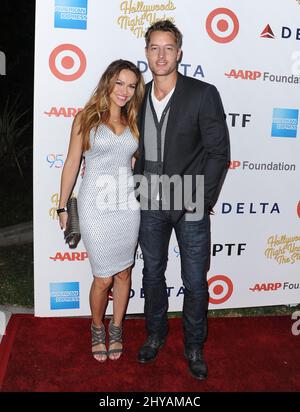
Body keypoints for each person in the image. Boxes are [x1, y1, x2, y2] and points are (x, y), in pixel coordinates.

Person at [134, 20, 230, 379]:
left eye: (168, 48)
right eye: (155, 48)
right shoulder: (137, 96)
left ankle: (194, 344)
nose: (161, 55)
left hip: (189, 201)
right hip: (149, 202)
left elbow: (218, 152)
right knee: (153, 274)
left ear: (179, 53)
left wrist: (201, 199)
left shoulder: (203, 94)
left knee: (194, 280)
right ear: (146, 53)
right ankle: (155, 335)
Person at [58, 60, 145, 362]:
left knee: (123, 274)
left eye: (131, 85)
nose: (124, 91)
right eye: (119, 83)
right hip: (94, 204)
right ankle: (97, 327)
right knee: (103, 278)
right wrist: (62, 205)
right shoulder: (86, 118)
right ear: (108, 82)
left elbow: (135, 163)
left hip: (126, 206)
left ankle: (117, 327)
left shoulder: (134, 122)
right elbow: (72, 163)